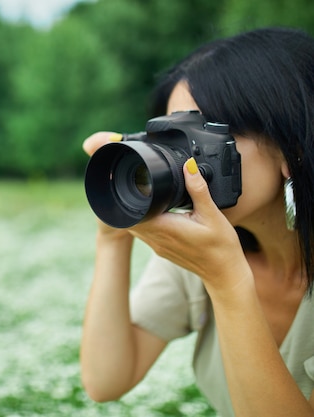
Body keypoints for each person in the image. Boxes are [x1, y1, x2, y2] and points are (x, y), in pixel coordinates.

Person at [80, 27, 314, 417]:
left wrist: (227, 281)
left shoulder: (213, 260)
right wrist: (113, 237)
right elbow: (106, 380)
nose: (186, 160)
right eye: (173, 136)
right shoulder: (204, 254)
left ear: (293, 148)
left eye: (206, 134)